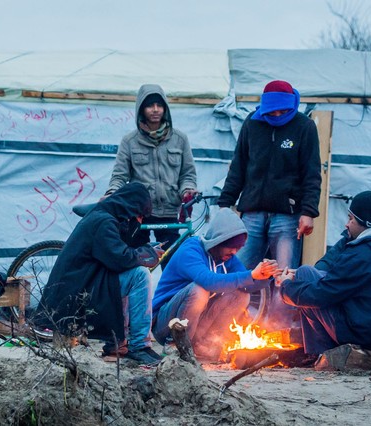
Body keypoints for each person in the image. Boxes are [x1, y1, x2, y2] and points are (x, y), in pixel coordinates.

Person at [216, 79, 322, 320]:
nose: (276, 114)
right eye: (271, 110)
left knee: (283, 275)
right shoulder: (252, 124)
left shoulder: (304, 127)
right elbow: (238, 168)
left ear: (290, 106)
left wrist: (308, 211)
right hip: (252, 213)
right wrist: (225, 205)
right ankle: (223, 324)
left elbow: (312, 173)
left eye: (281, 110)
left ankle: (278, 330)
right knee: (239, 270)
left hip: (287, 214)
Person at [38, 183, 165, 366]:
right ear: (130, 207)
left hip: (83, 282)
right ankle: (139, 345)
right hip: (79, 290)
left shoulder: (103, 217)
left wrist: (143, 251)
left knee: (128, 275)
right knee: (139, 274)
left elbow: (115, 254)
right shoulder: (104, 222)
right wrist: (147, 253)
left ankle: (117, 344)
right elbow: (119, 258)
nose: (139, 221)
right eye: (139, 215)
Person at [277, 191, 371, 355]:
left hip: (365, 333)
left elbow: (322, 294)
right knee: (305, 274)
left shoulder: (362, 255)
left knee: (306, 281)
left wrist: (286, 287)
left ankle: (319, 355)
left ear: (366, 223)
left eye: (351, 219)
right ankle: (322, 353)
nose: (346, 225)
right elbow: (341, 280)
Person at [152, 208, 279, 360]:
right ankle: (175, 345)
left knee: (241, 295)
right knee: (199, 290)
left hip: (196, 321)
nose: (234, 252)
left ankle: (203, 345)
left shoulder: (226, 256)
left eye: (238, 248)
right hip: (164, 323)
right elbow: (209, 281)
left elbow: (247, 285)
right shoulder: (191, 250)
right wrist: (252, 274)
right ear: (218, 241)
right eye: (231, 247)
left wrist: (266, 275)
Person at [105, 84, 197, 249]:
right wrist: (111, 193)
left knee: (172, 264)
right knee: (137, 262)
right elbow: (120, 176)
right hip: (139, 212)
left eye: (159, 105)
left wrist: (187, 190)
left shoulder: (180, 139)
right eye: (150, 105)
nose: (155, 109)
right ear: (141, 109)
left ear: (165, 108)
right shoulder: (130, 141)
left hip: (169, 211)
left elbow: (187, 174)